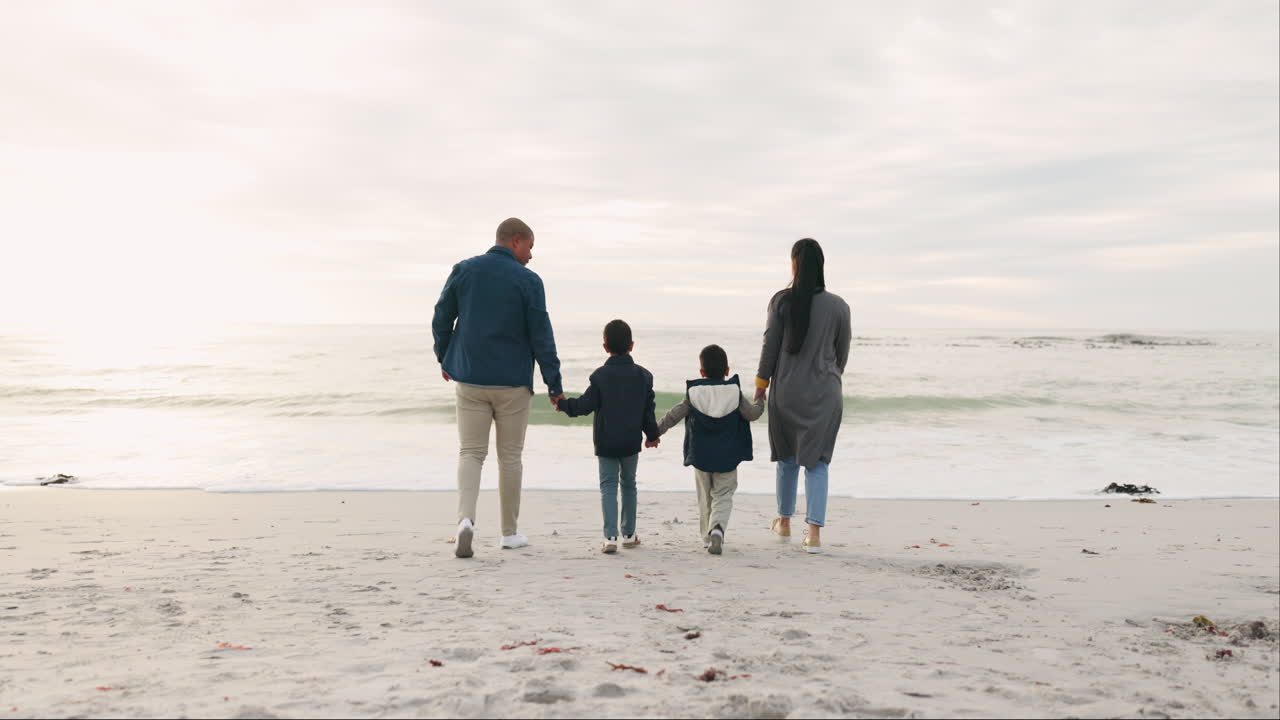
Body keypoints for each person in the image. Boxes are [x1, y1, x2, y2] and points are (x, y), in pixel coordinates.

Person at [432, 217, 564, 559]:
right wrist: (554, 384)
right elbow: (541, 335)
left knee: (471, 452)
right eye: (530, 247)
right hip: (512, 382)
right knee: (510, 458)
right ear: (516, 240)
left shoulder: (465, 270)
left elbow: (441, 316)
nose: (531, 256)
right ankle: (509, 533)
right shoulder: (529, 281)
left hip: (471, 377)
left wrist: (444, 357)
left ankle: (465, 521)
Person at [754, 239, 851, 554]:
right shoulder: (839, 306)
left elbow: (770, 346)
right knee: (818, 462)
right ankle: (814, 534)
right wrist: (829, 377)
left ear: (794, 265)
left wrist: (760, 385)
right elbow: (842, 353)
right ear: (822, 265)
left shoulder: (781, 302)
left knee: (787, 458)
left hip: (787, 391)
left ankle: (783, 522)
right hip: (825, 392)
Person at [556, 320, 660, 554]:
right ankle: (630, 534)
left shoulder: (600, 376)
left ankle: (610, 537)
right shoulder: (644, 376)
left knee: (608, 486)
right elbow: (648, 411)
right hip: (631, 442)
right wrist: (652, 435)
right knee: (629, 485)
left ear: (605, 347)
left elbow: (584, 405)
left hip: (606, 441)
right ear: (631, 345)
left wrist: (563, 404)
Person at [654, 344, 765, 555]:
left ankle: (707, 536)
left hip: (701, 456)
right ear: (727, 371)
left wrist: (654, 433)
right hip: (728, 455)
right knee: (723, 494)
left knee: (705, 496)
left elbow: (673, 415)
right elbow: (752, 414)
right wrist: (760, 401)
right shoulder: (735, 393)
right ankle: (718, 529)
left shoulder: (694, 394)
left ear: (702, 373)